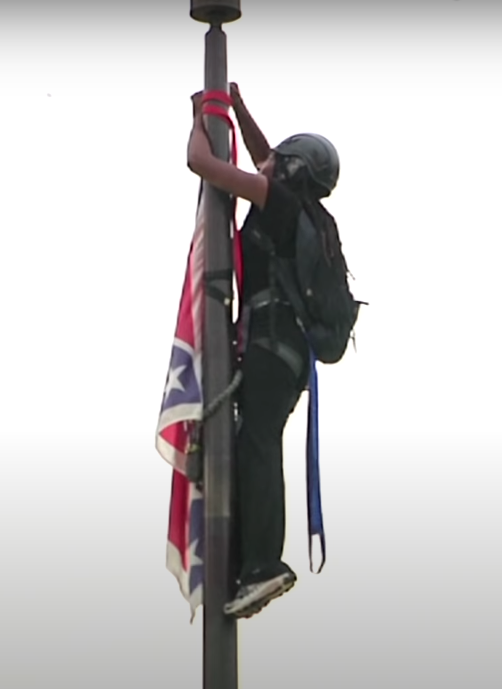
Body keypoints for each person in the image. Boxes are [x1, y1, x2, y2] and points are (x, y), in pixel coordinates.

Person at [186, 83, 342, 619]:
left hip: (270, 344)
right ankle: (247, 565)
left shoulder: (278, 202)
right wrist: (238, 106)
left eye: (280, 161)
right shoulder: (308, 216)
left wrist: (198, 117)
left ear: (291, 172)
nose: (267, 161)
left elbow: (202, 163)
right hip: (288, 353)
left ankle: (261, 564)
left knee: (255, 445)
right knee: (253, 440)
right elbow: (265, 157)